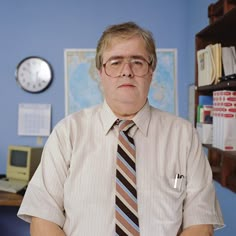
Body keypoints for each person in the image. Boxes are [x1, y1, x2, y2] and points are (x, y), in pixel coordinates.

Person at [17, 22, 224, 236]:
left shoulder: (184, 135)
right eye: (115, 62)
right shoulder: (67, 133)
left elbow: (201, 223)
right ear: (100, 73)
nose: (127, 72)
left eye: (137, 62)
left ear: (151, 72)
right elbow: (43, 218)